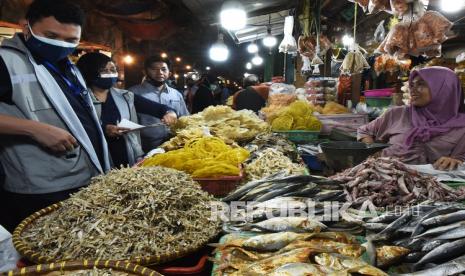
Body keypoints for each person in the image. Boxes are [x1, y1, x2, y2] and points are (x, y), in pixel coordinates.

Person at [0, 0, 110, 232]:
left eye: (71, 40)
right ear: (25, 27)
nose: (60, 45)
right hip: (42, 190)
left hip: (85, 177)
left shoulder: (68, 66)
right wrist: (34, 128)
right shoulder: (5, 61)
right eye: (50, 35)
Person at [76, 53, 177, 168]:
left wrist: (169, 112)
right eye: (104, 71)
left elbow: (158, 108)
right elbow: (76, 127)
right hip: (95, 160)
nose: (110, 74)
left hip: (127, 157)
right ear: (89, 72)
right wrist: (104, 129)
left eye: (113, 69)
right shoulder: (79, 100)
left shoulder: (126, 96)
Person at [358, 66, 465, 171]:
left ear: (444, 89)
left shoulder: (461, 127)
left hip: (430, 184)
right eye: (412, 84)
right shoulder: (397, 114)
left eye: (421, 84)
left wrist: (454, 161)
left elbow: (460, 159)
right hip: (386, 178)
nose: (412, 90)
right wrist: (372, 154)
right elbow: (364, 131)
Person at [129, 56, 188, 151]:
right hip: (146, 147)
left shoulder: (176, 94)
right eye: (154, 69)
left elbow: (185, 119)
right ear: (145, 72)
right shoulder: (133, 93)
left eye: (163, 69)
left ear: (169, 73)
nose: (160, 72)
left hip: (174, 145)